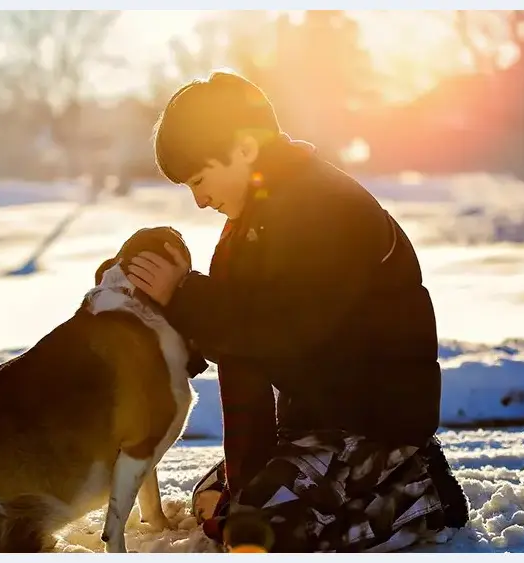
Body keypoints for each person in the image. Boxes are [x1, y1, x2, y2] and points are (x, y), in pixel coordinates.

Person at [126, 70, 469, 553]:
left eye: (200, 180)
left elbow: (280, 330)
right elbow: (237, 333)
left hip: (372, 424)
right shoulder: (256, 221)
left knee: (262, 537)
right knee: (213, 501)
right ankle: (315, 490)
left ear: (244, 149)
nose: (200, 200)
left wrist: (185, 296)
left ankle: (418, 491)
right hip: (316, 421)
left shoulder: (323, 208)